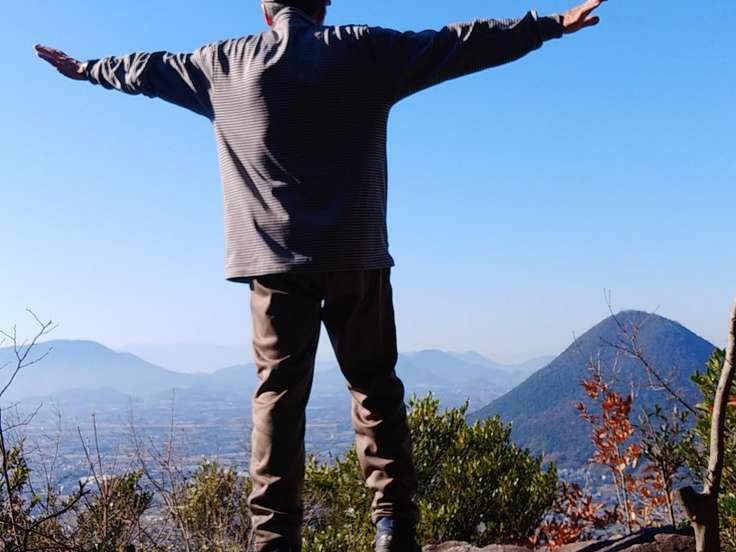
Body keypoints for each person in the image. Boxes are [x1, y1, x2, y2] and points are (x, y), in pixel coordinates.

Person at [35, 0, 607, 550]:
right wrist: (549, 24)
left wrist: (86, 69)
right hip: (357, 255)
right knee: (374, 387)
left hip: (274, 263)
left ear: (265, 10)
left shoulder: (221, 65)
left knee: (278, 399)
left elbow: (144, 68)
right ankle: (393, 528)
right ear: (324, 5)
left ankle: (275, 541)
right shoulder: (363, 51)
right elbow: (458, 43)